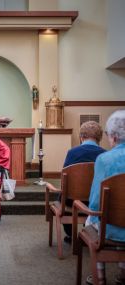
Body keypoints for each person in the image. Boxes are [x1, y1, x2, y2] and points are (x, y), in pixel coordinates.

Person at [85, 110, 125, 285]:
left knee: (93, 219)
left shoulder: (104, 159)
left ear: (114, 137)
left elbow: (95, 203)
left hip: (110, 229)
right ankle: (123, 275)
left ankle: (99, 278)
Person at [62, 121, 106, 243]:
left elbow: (65, 178)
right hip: (98, 203)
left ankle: (71, 235)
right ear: (99, 138)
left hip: (73, 202)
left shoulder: (72, 153)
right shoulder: (105, 154)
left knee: (63, 196)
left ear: (81, 137)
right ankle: (90, 232)